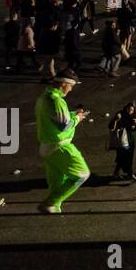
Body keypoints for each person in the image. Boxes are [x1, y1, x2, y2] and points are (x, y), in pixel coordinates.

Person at [35, 74, 91, 213]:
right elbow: (64, 126)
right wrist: (77, 118)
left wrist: (72, 114)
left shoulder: (44, 97)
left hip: (46, 146)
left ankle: (54, 208)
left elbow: (55, 118)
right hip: (60, 146)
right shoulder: (56, 100)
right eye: (71, 86)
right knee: (81, 174)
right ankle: (49, 203)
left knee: (57, 183)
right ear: (63, 84)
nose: (70, 89)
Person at [109, 102, 136, 181]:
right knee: (125, 157)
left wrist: (135, 124)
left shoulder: (134, 117)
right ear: (126, 108)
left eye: (132, 110)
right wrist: (116, 120)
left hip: (129, 140)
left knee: (124, 158)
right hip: (121, 141)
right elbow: (111, 126)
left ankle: (116, 173)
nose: (130, 111)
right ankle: (131, 174)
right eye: (129, 109)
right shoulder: (120, 114)